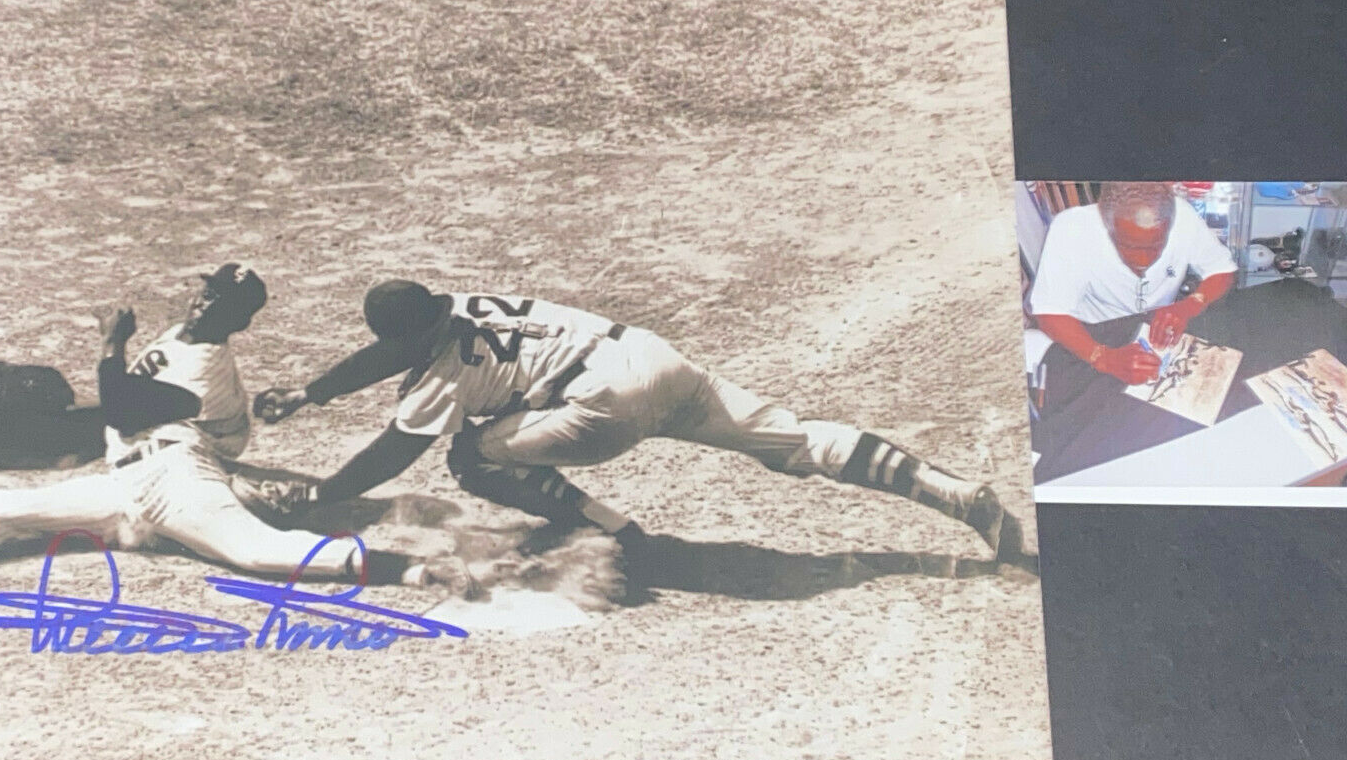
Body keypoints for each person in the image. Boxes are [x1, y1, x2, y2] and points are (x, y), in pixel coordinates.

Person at [0, 264, 470, 600]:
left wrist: (111, 345)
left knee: (254, 553)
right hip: (125, 481)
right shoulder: (183, 333)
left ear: (239, 321)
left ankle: (408, 569)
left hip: (179, 479)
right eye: (205, 290)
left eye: (221, 302)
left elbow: (120, 411)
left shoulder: (205, 365)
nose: (203, 302)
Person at [250, 280, 1026, 564]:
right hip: (656, 360)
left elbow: (390, 455)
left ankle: (617, 534)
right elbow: (387, 352)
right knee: (794, 438)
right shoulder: (457, 302)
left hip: (603, 410)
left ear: (415, 331)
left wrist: (321, 494)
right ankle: (956, 494)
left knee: (472, 459)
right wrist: (313, 393)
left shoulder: (442, 374)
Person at [1029, 182, 1238, 386]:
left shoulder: (1183, 216)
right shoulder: (1070, 229)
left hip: (1159, 329)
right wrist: (1103, 357)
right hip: (1092, 336)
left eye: (1156, 245)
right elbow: (1049, 313)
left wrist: (1190, 305)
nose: (1143, 260)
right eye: (1129, 246)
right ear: (1107, 226)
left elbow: (1222, 270)